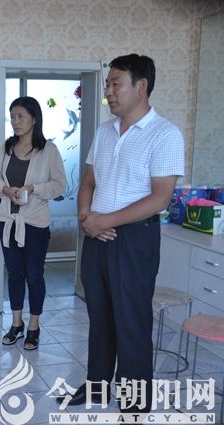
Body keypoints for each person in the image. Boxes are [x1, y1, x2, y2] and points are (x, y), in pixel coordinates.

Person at [67, 54, 184, 413]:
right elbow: (88, 182)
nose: (108, 91)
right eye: (107, 84)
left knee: (131, 323)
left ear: (141, 86)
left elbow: (160, 198)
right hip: (96, 236)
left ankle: (135, 404)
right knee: (99, 317)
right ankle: (98, 386)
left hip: (133, 239)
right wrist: (87, 217)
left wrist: (106, 220)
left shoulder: (165, 134)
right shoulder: (104, 132)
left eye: (115, 83)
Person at [0, 96, 66, 350]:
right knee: (14, 273)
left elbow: (60, 185)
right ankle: (16, 324)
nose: (15, 121)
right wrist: (5, 189)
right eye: (12, 116)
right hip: (7, 220)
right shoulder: (7, 147)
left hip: (35, 223)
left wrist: (33, 188)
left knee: (34, 274)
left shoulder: (48, 150)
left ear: (34, 118)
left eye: (21, 116)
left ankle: (34, 326)